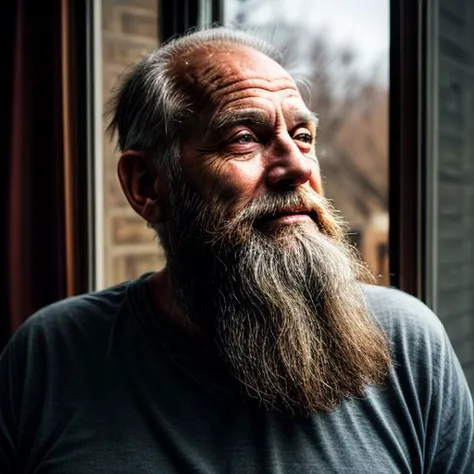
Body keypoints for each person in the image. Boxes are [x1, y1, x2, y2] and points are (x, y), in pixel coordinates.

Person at [1, 26, 473, 473]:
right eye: (243, 139)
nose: (296, 165)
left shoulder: (408, 346)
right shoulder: (49, 357)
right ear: (146, 185)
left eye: (303, 137)